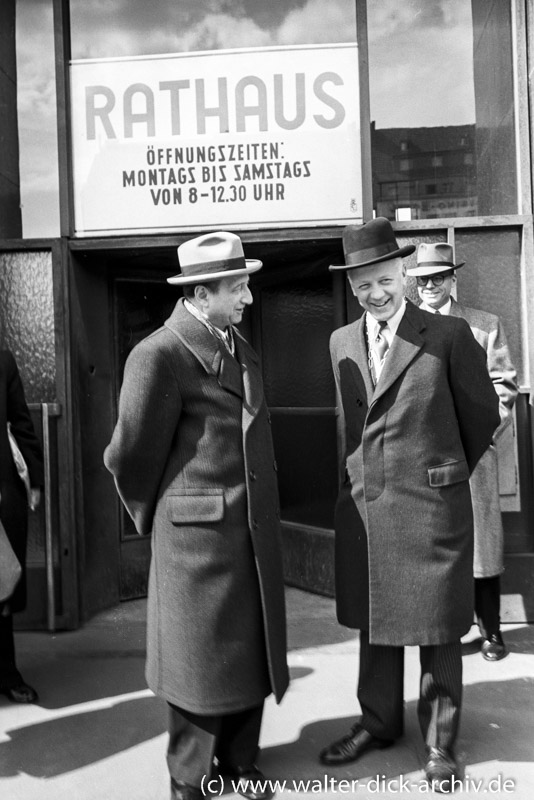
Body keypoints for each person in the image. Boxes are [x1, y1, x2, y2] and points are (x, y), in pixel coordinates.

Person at [104, 231, 289, 800]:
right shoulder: (158, 354)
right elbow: (128, 455)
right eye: (238, 288)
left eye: (247, 286)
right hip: (196, 546)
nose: (248, 299)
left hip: (248, 532)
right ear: (201, 294)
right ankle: (190, 778)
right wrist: (165, 519)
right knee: (198, 667)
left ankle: (239, 763)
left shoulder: (234, 341)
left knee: (248, 655)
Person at [320, 218, 500, 792]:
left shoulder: (448, 336)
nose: (375, 294)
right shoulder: (341, 342)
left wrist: (442, 478)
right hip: (369, 512)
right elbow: (352, 428)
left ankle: (440, 744)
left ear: (402, 271)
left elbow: (482, 418)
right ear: (351, 288)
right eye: (362, 286)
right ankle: (377, 721)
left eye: (383, 279)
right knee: (375, 625)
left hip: (432, 511)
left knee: (440, 628)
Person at [409, 242, 518, 662]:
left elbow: (504, 386)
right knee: (437, 547)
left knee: (482, 547)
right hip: (423, 462)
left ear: (453, 279)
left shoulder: (483, 325)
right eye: (422, 279)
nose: (430, 285)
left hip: (471, 458)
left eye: (438, 277)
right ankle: (445, 632)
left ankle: (492, 633)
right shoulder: (406, 328)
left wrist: (480, 434)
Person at [0, 349, 44, 704]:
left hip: (2, 489)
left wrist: (36, 478)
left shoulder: (2, 359)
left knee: (3, 584)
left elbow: (20, 420)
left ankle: (6, 672)